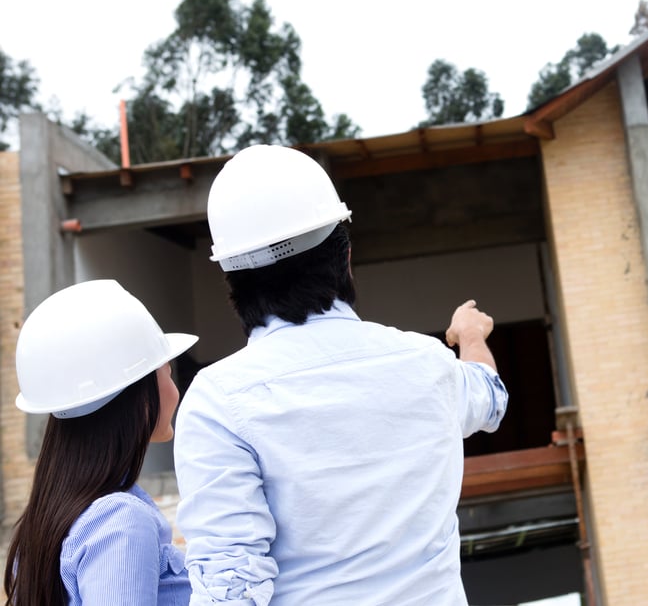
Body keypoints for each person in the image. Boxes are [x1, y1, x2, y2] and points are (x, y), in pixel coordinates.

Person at [174, 144, 508, 605]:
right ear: (344, 257)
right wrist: (470, 337)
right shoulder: (427, 363)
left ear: (232, 280)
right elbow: (491, 399)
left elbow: (230, 589)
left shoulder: (217, 403)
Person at [4, 279, 198, 606]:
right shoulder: (121, 521)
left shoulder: (49, 519)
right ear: (141, 399)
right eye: (167, 370)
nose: (175, 387)